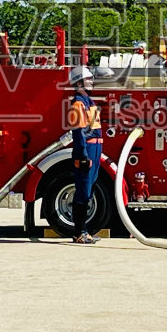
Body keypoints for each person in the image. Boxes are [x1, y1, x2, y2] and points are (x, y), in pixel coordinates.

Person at [66, 65, 103, 242]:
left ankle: (84, 231)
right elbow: (79, 132)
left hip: (95, 149)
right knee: (82, 192)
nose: (91, 81)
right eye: (88, 79)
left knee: (88, 192)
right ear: (79, 82)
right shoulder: (78, 104)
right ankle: (79, 232)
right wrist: (83, 156)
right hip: (86, 150)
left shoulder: (89, 102)